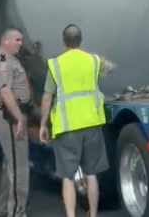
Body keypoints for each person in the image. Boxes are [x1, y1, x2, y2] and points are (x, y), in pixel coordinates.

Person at [38, 24, 117, 217]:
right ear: (81, 42)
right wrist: (90, 57)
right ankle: (94, 213)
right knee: (91, 174)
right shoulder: (92, 61)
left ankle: (71, 215)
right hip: (91, 124)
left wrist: (43, 123)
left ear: (63, 43)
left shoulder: (56, 65)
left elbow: (47, 96)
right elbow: (112, 68)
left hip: (66, 127)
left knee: (67, 175)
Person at [0, 27, 32, 217]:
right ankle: (17, 212)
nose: (20, 43)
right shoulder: (3, 61)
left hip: (10, 114)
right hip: (9, 116)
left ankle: (6, 208)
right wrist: (19, 117)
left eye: (21, 40)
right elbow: (5, 92)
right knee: (19, 167)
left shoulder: (9, 60)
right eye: (17, 40)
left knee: (11, 164)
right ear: (5, 40)